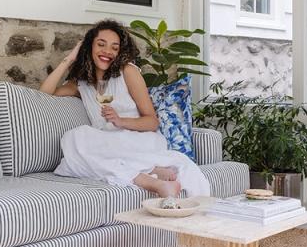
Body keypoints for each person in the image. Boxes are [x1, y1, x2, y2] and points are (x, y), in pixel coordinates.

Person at [40, 19, 210, 198]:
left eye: (114, 47)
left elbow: (152, 122)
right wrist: (69, 59)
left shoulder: (128, 72)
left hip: (137, 140)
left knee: (81, 144)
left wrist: (121, 121)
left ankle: (148, 170)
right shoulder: (80, 84)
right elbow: (44, 94)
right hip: (107, 145)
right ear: (89, 46)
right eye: (101, 44)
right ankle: (151, 176)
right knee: (74, 137)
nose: (107, 51)